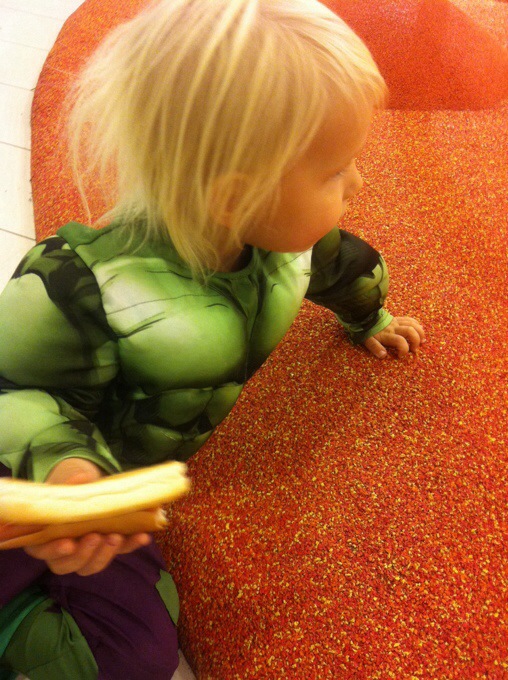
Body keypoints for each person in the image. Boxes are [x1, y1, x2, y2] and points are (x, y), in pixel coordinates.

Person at [0, 0, 425, 677]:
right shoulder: (79, 283)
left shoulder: (293, 247)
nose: (359, 182)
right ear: (233, 197)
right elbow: (15, 388)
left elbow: (349, 269)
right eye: (335, 171)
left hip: (114, 498)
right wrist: (66, 470)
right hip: (30, 467)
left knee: (138, 658)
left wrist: (369, 319)